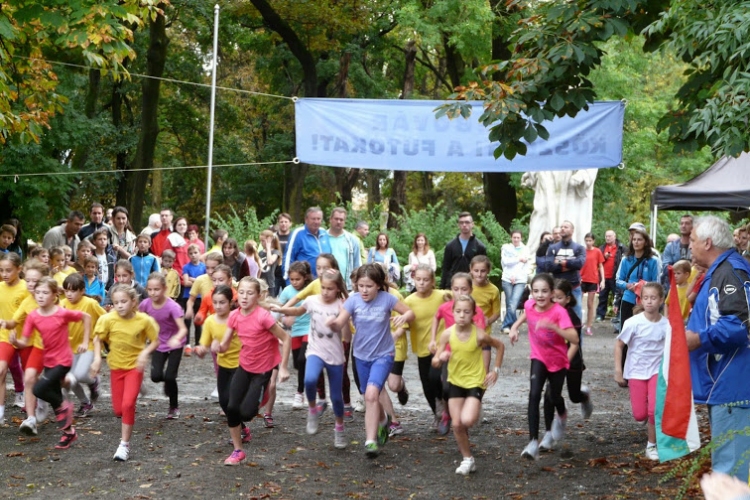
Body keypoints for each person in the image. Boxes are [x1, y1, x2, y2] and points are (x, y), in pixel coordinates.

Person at [327, 264, 415, 458]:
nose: (364, 290)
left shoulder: (387, 299)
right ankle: (383, 421)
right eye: (360, 286)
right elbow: (340, 322)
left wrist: (403, 318)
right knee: (370, 396)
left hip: (383, 355)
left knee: (371, 395)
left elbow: (410, 313)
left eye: (369, 286)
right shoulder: (352, 301)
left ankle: (370, 441)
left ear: (378, 285)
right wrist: (332, 324)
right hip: (361, 357)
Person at [686, 216, 750, 482]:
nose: (689, 246)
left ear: (707, 242)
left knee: (730, 473)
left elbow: (740, 325)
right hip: (725, 384)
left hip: (733, 386)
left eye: (692, 240)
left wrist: (697, 339)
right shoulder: (720, 271)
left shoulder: (730, 271)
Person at [214, 277, 291, 466]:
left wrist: (283, 368)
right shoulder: (234, 316)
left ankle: (263, 396)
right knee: (231, 408)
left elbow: (286, 338)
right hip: (245, 366)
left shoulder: (263, 316)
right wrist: (218, 347)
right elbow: (224, 344)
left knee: (247, 413)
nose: (245, 297)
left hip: (263, 369)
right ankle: (238, 451)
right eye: (241, 292)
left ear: (257, 296)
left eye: (250, 293)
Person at [272, 269, 350, 448]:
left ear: (338, 289)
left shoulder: (341, 306)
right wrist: (282, 309)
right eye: (323, 287)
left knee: (336, 398)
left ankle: (339, 428)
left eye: (330, 288)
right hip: (315, 350)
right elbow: (299, 311)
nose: (325, 292)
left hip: (335, 355)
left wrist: (340, 322)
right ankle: (313, 410)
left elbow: (347, 337)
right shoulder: (312, 301)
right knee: (309, 380)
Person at [12, 277, 91, 450]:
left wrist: (85, 341)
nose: (40, 296)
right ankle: (69, 433)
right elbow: (25, 341)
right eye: (38, 292)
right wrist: (16, 342)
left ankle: (66, 405)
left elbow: (86, 317)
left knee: (39, 389)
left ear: (55, 295)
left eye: (45, 292)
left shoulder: (61, 312)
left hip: (63, 360)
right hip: (48, 360)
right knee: (55, 399)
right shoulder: (33, 316)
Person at [432, 294, 504, 475]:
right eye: (458, 311)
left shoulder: (479, 334)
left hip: (475, 381)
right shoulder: (447, 334)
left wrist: (495, 370)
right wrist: (440, 358)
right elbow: (435, 360)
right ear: (453, 312)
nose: (462, 315)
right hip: (455, 381)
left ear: (473, 314)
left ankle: (475, 409)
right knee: (456, 425)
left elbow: (500, 346)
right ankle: (467, 459)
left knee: (467, 420)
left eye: (466, 312)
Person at [509, 273, 578, 460]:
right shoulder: (529, 305)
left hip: (558, 360)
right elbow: (525, 315)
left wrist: (555, 328)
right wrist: (514, 328)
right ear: (531, 292)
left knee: (553, 396)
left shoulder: (559, 312)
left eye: (544, 291)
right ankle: (532, 442)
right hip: (538, 358)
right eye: (536, 291)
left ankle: (562, 415)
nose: (540, 295)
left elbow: (574, 338)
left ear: (551, 293)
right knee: (534, 394)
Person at [92, 283, 160, 461]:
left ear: (133, 301)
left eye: (123, 301)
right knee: (118, 410)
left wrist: (145, 353)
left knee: (128, 404)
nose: (120, 305)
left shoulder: (144, 321)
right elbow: (98, 339)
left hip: (134, 368)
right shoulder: (107, 320)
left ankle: (124, 445)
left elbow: (155, 340)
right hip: (116, 368)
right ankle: (137, 388)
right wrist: (98, 358)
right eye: (116, 302)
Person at [614, 282, 667, 461]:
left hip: (656, 372)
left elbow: (672, 350)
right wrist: (617, 370)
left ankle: (651, 445)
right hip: (636, 371)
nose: (649, 302)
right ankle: (644, 413)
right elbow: (619, 345)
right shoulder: (633, 323)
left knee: (653, 410)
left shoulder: (666, 325)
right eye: (646, 298)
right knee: (640, 414)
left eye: (653, 298)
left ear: (661, 300)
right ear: (641, 300)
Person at [430, 273, 487, 435]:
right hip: (449, 354)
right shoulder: (446, 307)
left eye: (464, 289)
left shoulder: (476, 311)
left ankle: (469, 409)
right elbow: (436, 317)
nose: (460, 293)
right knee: (444, 385)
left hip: (469, 357)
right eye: (456, 289)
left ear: (471, 289)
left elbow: (482, 337)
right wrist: (433, 339)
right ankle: (447, 413)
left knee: (465, 385)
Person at [194, 285, 252, 443]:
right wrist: (200, 350)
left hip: (240, 365)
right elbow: (204, 345)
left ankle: (239, 436)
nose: (218, 306)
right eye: (215, 303)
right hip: (223, 366)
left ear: (230, 302)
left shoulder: (238, 317)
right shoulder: (210, 321)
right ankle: (243, 429)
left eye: (222, 302)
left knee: (233, 403)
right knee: (224, 402)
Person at [543, 279, 593, 453]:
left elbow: (574, 343)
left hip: (572, 361)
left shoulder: (572, 317)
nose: (555, 301)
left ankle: (583, 396)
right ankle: (549, 432)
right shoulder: (546, 313)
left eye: (559, 297)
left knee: (574, 396)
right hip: (552, 361)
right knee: (550, 395)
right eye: (553, 297)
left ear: (568, 299)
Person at [400, 265, 449, 425]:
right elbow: (404, 324)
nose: (421, 283)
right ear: (413, 279)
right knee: (427, 385)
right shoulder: (409, 301)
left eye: (426, 279)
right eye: (418, 279)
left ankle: (447, 409)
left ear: (433, 281)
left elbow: (463, 300)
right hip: (422, 348)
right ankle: (438, 413)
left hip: (442, 347)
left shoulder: (442, 295)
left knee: (437, 379)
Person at [140, 272, 188, 419]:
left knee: (170, 377)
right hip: (159, 344)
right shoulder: (145, 304)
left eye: (157, 289)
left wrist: (176, 339)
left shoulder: (172, 307)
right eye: (150, 289)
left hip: (175, 344)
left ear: (165, 289)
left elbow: (183, 329)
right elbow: (138, 321)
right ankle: (167, 383)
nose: (153, 293)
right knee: (155, 376)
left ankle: (173, 407)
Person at [615, 226, 660, 372]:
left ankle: (641, 369)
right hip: (628, 299)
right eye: (634, 239)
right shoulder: (626, 259)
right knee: (626, 334)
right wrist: (629, 286)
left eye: (639, 239)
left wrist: (645, 286)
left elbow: (656, 282)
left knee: (644, 335)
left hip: (646, 303)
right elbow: (617, 280)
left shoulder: (653, 261)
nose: (636, 242)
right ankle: (623, 370)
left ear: (645, 242)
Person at [60, 273, 106, 417]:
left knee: (79, 375)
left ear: (82, 290)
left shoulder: (90, 303)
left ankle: (93, 381)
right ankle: (85, 403)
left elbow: (105, 317)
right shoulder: (62, 304)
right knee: (68, 379)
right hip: (70, 346)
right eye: (66, 290)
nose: (69, 294)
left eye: (73, 290)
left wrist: (101, 334)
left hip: (90, 344)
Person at [0, 253, 34, 426]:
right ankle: (0, 413)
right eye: (1, 270)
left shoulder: (26, 288)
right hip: (5, 337)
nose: (4, 274)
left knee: (31, 375)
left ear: (19, 269)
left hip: (26, 339)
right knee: (1, 371)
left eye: (8, 270)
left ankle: (33, 414)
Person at [278, 261, 314, 410]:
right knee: (298, 364)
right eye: (292, 279)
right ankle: (307, 381)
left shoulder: (311, 290)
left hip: (310, 328)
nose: (294, 282)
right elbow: (278, 309)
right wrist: (284, 318)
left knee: (302, 358)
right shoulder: (287, 291)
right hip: (295, 331)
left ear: (305, 277)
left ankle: (299, 393)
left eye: (297, 279)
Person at [536, 220, 586, 320]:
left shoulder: (579, 248)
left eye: (566, 227)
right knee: (555, 319)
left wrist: (561, 262)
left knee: (576, 318)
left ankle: (576, 336)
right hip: (557, 288)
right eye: (562, 226)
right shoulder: (552, 248)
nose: (563, 228)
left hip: (574, 287)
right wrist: (569, 265)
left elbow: (579, 264)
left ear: (572, 230)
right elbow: (549, 266)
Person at [440, 212, 487, 289]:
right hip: (453, 286)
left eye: (467, 222)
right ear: (458, 225)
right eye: (461, 223)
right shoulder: (450, 246)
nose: (464, 225)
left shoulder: (479, 246)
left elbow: (483, 269)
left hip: (472, 286)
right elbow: (446, 268)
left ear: (472, 224)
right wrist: (442, 289)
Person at [470, 255, 501, 370]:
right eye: (476, 271)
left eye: (483, 271)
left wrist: (488, 320)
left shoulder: (493, 290)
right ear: (471, 270)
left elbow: (497, 312)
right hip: (467, 330)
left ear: (488, 271)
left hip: (484, 332)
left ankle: (482, 387)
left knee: (484, 369)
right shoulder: (466, 287)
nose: (479, 274)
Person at [284, 207, 331, 280]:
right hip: (305, 281)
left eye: (318, 219)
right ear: (306, 220)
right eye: (313, 219)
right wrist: (288, 280)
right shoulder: (298, 234)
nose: (316, 221)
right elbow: (288, 258)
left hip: (324, 281)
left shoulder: (324, 233)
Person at [500, 230, 531, 334]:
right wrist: (518, 259)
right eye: (514, 237)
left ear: (521, 238)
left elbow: (523, 265)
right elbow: (505, 262)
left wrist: (515, 275)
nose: (516, 239)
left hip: (520, 279)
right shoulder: (506, 248)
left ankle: (506, 325)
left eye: (518, 237)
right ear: (511, 238)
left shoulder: (525, 249)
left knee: (514, 303)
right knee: (509, 303)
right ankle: (511, 327)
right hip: (507, 278)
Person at [327, 207, 361, 290]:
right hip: (326, 283)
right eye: (336, 219)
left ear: (344, 222)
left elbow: (357, 264)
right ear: (330, 219)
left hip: (346, 285)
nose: (338, 222)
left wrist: (357, 282)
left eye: (341, 220)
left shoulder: (352, 240)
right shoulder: (322, 238)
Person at [180, 244, 206, 354]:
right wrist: (198, 282)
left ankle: (198, 344)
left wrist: (193, 279)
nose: (193, 255)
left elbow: (205, 283)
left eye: (195, 253)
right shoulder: (186, 267)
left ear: (200, 253)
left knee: (198, 321)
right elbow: (185, 283)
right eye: (191, 253)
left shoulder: (204, 267)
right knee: (187, 321)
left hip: (200, 298)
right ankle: (187, 344)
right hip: (188, 297)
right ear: (188, 255)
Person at [596, 230, 624, 322]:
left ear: (614, 236)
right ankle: (600, 315)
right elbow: (597, 262)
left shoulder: (621, 248)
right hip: (603, 277)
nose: (607, 238)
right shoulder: (602, 248)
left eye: (610, 236)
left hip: (615, 277)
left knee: (618, 297)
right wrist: (604, 257)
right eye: (606, 236)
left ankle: (618, 316)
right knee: (602, 297)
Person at [580, 233, 604, 335]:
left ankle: (589, 326)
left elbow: (601, 265)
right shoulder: (581, 251)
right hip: (582, 279)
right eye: (587, 240)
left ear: (593, 241)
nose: (588, 242)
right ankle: (579, 323)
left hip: (593, 279)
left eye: (590, 240)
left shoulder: (597, 251)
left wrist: (603, 280)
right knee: (578, 302)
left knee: (590, 304)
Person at [661, 214, 693, 291]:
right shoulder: (671, 246)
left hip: (692, 288)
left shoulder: (697, 245)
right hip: (674, 288)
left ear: (693, 226)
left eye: (687, 223)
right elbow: (665, 268)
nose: (683, 226)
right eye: (681, 223)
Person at [274, 213, 292, 296]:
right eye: (281, 222)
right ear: (278, 223)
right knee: (272, 297)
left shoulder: (293, 237)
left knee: (289, 297)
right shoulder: (273, 237)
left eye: (286, 222)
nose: (283, 224)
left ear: (290, 223)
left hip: (289, 272)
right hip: (275, 272)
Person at [258, 230, 281, 294]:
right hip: (261, 283)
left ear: (269, 240)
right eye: (261, 241)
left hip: (269, 283)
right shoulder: (260, 253)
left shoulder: (276, 252)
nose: (261, 243)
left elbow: (270, 261)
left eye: (263, 241)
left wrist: (268, 248)